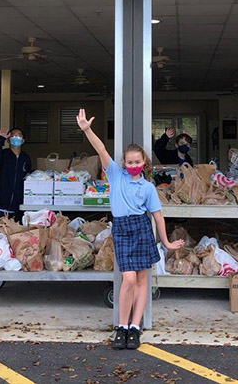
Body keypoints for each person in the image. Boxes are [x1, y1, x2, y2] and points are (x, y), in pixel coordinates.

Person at [76, 109, 184, 350]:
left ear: (144, 163)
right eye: (130, 162)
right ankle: (121, 327)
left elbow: (157, 216)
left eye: (138, 162)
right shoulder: (115, 175)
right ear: (124, 162)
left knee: (142, 279)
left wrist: (166, 242)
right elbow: (101, 150)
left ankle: (135, 327)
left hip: (142, 228)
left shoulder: (147, 187)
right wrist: (86, 129)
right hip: (122, 228)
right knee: (128, 279)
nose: (134, 165)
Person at [0, 127, 32, 220]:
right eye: (13, 136)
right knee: (0, 231)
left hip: (18, 205)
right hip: (1, 203)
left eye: (18, 136)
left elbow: (28, 176)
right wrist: (1, 138)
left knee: (16, 232)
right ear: (8, 140)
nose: (15, 138)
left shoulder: (25, 157)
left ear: (23, 140)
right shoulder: (4, 154)